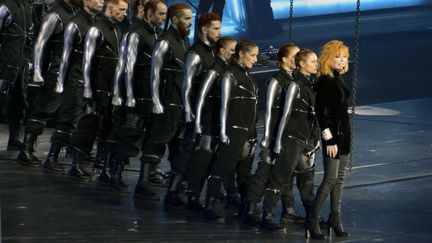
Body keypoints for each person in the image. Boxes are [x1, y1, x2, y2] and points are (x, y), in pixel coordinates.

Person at [249, 48, 319, 231]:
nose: (315, 64)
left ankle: (309, 217)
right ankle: (263, 214)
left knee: (304, 179)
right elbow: (277, 113)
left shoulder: (307, 84)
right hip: (286, 138)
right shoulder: (284, 83)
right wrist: (272, 139)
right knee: (272, 176)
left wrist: (316, 137)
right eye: (311, 61)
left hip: (304, 138)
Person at [133, 3, 192, 200]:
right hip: (166, 102)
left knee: (178, 147)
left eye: (191, 19)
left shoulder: (185, 41)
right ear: (175, 20)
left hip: (179, 103)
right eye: (186, 19)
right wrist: (156, 101)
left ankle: (175, 188)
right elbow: (154, 74)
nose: (190, 23)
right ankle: (143, 183)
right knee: (156, 142)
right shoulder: (165, 42)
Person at [163, 12, 221, 207]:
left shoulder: (214, 51)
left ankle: (190, 191)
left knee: (201, 155)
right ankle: (172, 192)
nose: (218, 32)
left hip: (208, 111)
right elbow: (186, 84)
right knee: (187, 152)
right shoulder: (195, 53)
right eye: (215, 29)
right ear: (204, 29)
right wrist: (188, 110)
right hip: (196, 111)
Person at [108, 0, 167, 189]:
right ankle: (114, 173)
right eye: (160, 14)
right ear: (148, 13)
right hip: (136, 94)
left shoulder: (157, 34)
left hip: (150, 94)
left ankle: (146, 177)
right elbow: (126, 67)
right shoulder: (135, 33)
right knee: (129, 136)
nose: (163, 18)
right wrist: (128, 96)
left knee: (150, 137)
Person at [67, 0, 128, 180]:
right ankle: (76, 164)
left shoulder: (116, 29)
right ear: (110, 9)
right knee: (89, 125)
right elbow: (87, 61)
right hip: (97, 86)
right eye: (121, 10)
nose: (124, 13)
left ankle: (103, 166)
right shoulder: (96, 30)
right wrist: (87, 87)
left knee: (108, 126)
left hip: (110, 87)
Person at [17, 0, 81, 170]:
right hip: (55, 70)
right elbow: (40, 42)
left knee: (68, 113)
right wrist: (37, 70)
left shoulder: (73, 13)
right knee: (43, 108)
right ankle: (26, 149)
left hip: (68, 71)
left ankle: (52, 155)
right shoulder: (55, 14)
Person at [203, 39, 259, 222]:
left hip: (248, 132)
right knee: (221, 169)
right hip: (233, 131)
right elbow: (224, 106)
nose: (256, 59)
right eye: (252, 55)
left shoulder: (247, 76)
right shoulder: (230, 75)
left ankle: (246, 208)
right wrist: (224, 132)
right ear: (241, 54)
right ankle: (209, 206)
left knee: (244, 173)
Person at [185, 36, 237, 211]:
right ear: (222, 51)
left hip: (218, 119)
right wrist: (198, 122)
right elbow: (201, 95)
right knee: (203, 159)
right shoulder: (214, 69)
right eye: (232, 50)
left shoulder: (227, 69)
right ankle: (193, 194)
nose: (234, 53)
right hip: (208, 119)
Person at [54, 0, 103, 178]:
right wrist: (60, 80)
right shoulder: (75, 23)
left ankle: (76, 159)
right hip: (75, 78)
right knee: (68, 118)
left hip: (90, 80)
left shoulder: (96, 24)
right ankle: (52, 157)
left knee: (86, 122)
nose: (101, 2)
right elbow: (65, 55)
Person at [308, 40, 351, 239]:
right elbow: (320, 112)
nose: (341, 60)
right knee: (330, 179)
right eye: (337, 56)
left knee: (339, 180)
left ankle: (335, 218)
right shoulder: (325, 80)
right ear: (328, 58)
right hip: (333, 137)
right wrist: (329, 138)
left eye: (344, 56)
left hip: (344, 137)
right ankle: (313, 220)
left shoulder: (337, 77)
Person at [0, 0, 32, 152]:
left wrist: (28, 59)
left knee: (19, 101)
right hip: (5, 63)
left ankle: (14, 138)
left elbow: (29, 36)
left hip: (21, 64)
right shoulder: (6, 7)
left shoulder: (26, 7)